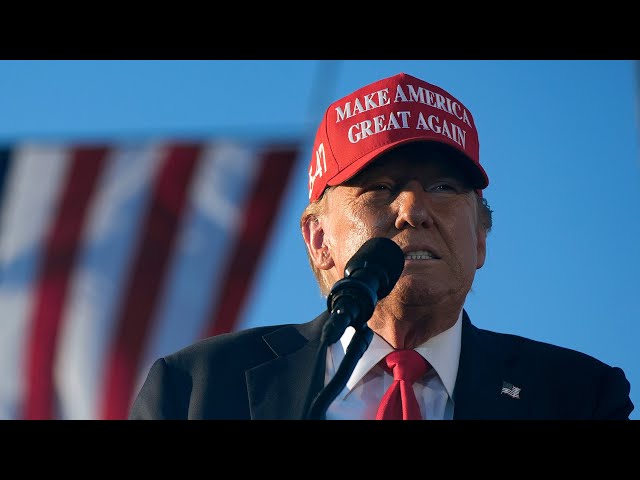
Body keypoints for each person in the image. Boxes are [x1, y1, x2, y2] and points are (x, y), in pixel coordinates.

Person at [128, 72, 634, 420]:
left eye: (444, 188)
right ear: (319, 240)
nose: (414, 211)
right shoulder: (198, 390)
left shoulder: (577, 397)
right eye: (381, 189)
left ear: (481, 237)